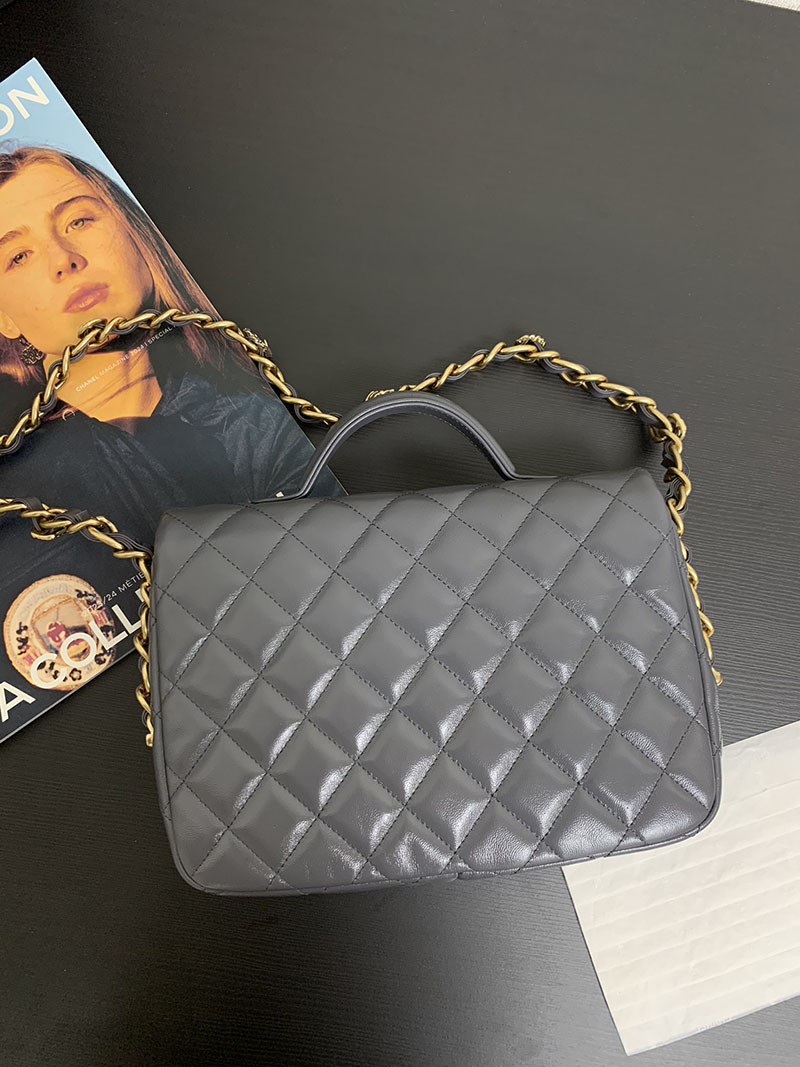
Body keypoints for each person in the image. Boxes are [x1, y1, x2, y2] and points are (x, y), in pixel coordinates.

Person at [0, 144, 343, 548]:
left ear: (135, 232)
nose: (63, 260)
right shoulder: (19, 491)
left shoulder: (253, 415)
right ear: (4, 318)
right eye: (18, 256)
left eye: (78, 221)